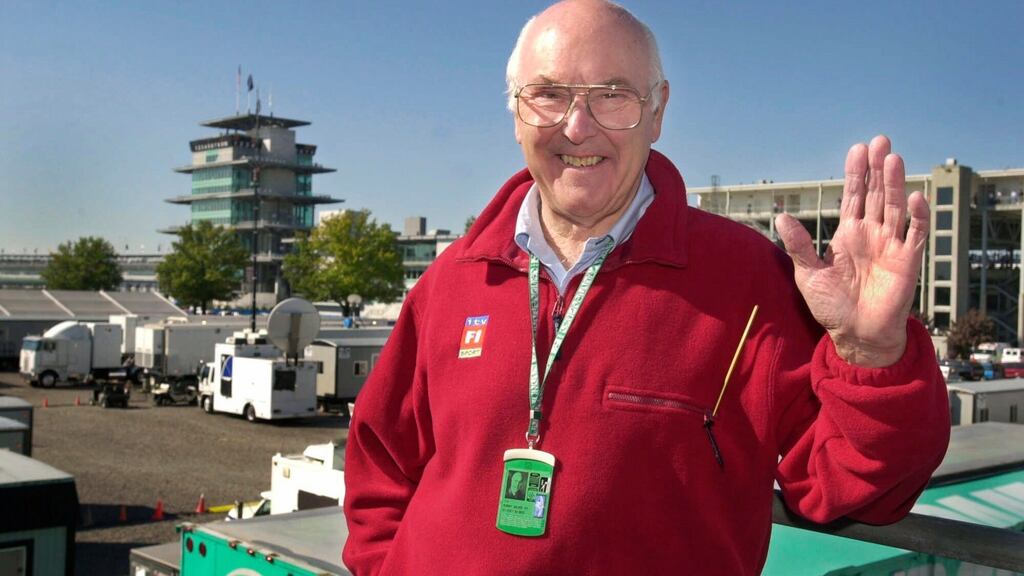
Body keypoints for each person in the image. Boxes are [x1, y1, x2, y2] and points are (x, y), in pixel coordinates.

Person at [343, 1, 950, 574]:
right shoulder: (452, 280)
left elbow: (851, 486)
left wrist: (872, 352)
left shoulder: (752, 283)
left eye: (612, 96)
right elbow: (380, 469)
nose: (577, 127)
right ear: (516, 114)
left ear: (657, 112)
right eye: (548, 95)